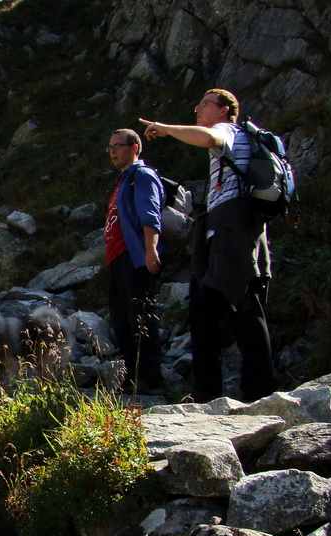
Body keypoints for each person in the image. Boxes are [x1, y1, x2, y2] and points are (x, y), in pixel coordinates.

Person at [139, 88, 275, 401]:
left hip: (234, 225)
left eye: (205, 105)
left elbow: (207, 138)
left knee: (243, 303)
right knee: (203, 303)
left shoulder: (228, 130)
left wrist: (167, 128)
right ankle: (207, 392)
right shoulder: (227, 136)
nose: (198, 110)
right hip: (218, 224)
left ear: (225, 110)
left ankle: (259, 392)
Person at [103, 128, 166, 394]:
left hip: (135, 256)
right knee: (122, 320)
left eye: (119, 146)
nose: (114, 151)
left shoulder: (141, 175)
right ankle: (132, 378)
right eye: (110, 147)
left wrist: (151, 249)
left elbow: (149, 213)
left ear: (135, 148)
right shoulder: (121, 181)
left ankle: (151, 380)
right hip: (116, 259)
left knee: (141, 317)